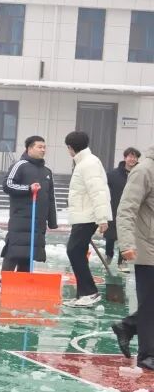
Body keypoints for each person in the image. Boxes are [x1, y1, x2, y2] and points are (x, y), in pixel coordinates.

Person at [113, 146, 154, 370]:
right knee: (149, 303)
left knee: (152, 303)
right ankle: (148, 354)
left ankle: (128, 325)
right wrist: (127, 244)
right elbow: (126, 209)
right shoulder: (144, 170)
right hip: (148, 246)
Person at [63, 130, 112, 308]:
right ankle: (83, 293)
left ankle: (89, 292)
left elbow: (97, 191)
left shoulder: (88, 163)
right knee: (77, 250)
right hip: (84, 215)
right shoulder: (85, 162)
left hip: (88, 216)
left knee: (74, 250)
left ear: (70, 147)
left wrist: (102, 219)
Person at [1, 136, 57, 272]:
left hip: (38, 221)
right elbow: (7, 185)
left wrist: (52, 221)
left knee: (28, 255)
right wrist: (28, 188)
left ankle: (22, 285)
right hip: (21, 218)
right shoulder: (19, 165)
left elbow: (50, 197)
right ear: (29, 148)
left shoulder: (47, 172)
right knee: (14, 252)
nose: (43, 150)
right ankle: (6, 282)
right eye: (39, 147)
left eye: (44, 147)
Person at [106, 147, 140, 272]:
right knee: (110, 236)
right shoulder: (113, 174)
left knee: (125, 236)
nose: (132, 159)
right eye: (130, 156)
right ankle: (108, 255)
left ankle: (122, 261)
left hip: (131, 210)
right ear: (125, 158)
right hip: (114, 208)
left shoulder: (139, 174)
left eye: (135, 157)